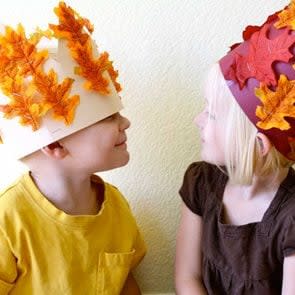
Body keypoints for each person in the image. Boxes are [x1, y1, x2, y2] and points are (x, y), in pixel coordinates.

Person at [0, 2, 146, 294]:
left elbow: (125, 282)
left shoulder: (115, 207)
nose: (126, 122)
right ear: (54, 144)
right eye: (109, 117)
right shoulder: (8, 220)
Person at [175, 1, 295, 294]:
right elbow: (187, 278)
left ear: (258, 144)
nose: (198, 120)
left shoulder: (290, 217)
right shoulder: (201, 183)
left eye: (212, 114)